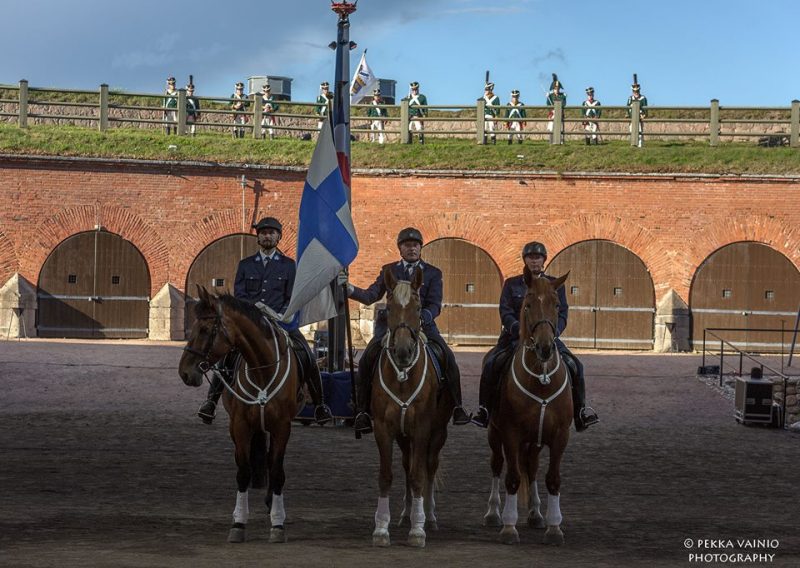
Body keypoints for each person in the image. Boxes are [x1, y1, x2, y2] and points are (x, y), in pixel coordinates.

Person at [197, 217, 333, 426]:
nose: (267, 235)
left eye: (271, 232)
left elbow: (291, 297)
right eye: (263, 232)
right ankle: (211, 401)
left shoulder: (289, 266)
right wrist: (253, 310)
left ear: (279, 237)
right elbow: (239, 294)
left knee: (306, 354)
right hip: (251, 323)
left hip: (280, 322)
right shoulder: (245, 265)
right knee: (228, 355)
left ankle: (320, 405)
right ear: (258, 237)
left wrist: (277, 313)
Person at [344, 227, 471, 434]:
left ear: (420, 248)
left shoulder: (432, 273)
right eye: (407, 245)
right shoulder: (389, 270)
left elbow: (434, 304)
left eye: (415, 245)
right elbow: (371, 296)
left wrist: (422, 317)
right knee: (368, 358)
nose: (411, 248)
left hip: (423, 326)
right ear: (400, 249)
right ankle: (362, 410)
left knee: (447, 357)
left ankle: (457, 407)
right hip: (390, 329)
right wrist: (349, 289)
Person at [471, 241, 599, 432]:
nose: (534, 261)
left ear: (544, 260)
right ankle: (485, 410)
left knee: (576, 366)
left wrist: (553, 333)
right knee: (491, 364)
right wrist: (519, 330)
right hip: (515, 338)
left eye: (538, 257)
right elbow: (505, 310)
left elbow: (562, 312)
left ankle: (580, 413)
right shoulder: (512, 284)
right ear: (525, 260)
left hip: (546, 337)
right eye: (530, 257)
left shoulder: (555, 285)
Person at [627, 74, 648, 148]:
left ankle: (640, 145)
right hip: (632, 117)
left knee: (639, 130)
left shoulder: (643, 98)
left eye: (637, 91)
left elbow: (645, 108)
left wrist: (644, 115)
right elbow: (628, 107)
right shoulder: (630, 98)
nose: (636, 92)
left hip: (639, 116)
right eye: (634, 91)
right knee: (631, 130)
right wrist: (628, 115)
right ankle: (633, 144)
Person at [546, 73, 566, 144]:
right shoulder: (550, 96)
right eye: (555, 88)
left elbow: (564, 104)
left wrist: (564, 98)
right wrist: (547, 98)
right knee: (551, 127)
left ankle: (561, 141)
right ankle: (551, 141)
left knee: (560, 127)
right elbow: (548, 105)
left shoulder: (562, 96)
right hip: (552, 113)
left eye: (558, 88)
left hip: (560, 113)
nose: (556, 90)